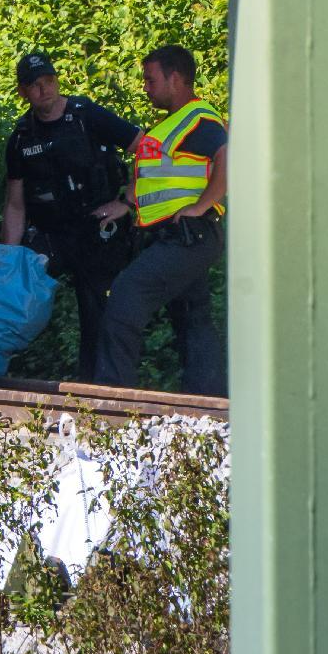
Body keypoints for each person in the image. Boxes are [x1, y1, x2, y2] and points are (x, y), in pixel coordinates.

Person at [90, 45, 229, 394]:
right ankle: (208, 399)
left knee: (126, 293)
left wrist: (201, 206)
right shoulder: (172, 126)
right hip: (179, 235)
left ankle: (112, 395)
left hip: (188, 234)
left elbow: (232, 157)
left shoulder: (199, 118)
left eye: (151, 80)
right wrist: (128, 204)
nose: (146, 87)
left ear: (176, 78)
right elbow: (161, 181)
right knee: (192, 317)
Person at [0, 51, 138, 372]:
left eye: (48, 81)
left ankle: (100, 389)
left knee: (98, 314)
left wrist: (127, 201)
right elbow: (15, 204)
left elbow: (145, 147)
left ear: (57, 81)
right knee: (16, 291)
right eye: (34, 85)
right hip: (52, 234)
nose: (44, 89)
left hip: (97, 231)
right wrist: (8, 259)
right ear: (23, 92)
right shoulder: (21, 138)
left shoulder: (87, 115)